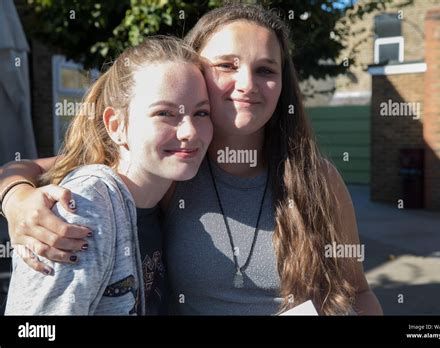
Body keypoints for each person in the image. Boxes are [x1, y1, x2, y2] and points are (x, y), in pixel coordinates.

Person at [0, 4, 382, 315]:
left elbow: (359, 291)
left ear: (283, 86)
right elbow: (36, 167)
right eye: (227, 65)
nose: (247, 83)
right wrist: (16, 199)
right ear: (194, 73)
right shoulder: (174, 163)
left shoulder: (316, 178)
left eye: (266, 69)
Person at [2, 37, 213, 315]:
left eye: (201, 112)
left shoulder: (169, 194)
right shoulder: (84, 205)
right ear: (117, 126)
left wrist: (11, 187)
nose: (190, 132)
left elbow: (25, 167)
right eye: (165, 113)